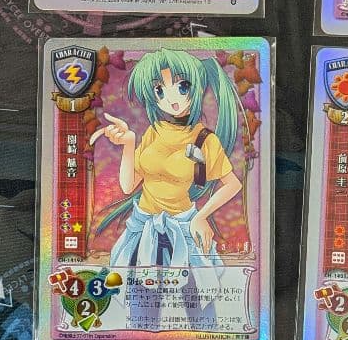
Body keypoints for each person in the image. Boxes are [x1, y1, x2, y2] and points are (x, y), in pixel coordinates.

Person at [91, 47, 242, 269]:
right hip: (142, 226)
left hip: (182, 227)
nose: (171, 99)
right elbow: (128, 186)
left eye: (182, 87)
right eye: (159, 90)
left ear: (198, 88)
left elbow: (233, 184)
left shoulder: (204, 140)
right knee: (134, 289)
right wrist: (129, 144)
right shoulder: (154, 132)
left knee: (191, 289)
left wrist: (201, 216)